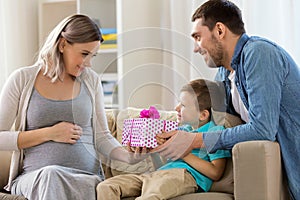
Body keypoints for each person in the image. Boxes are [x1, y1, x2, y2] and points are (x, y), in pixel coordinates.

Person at [153, 0, 300, 199]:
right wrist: (163, 138)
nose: (196, 48)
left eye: (198, 37)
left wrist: (195, 140)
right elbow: (208, 122)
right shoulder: (224, 74)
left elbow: (263, 129)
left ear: (220, 30)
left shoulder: (259, 53)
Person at [0, 14, 146, 200]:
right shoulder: (22, 79)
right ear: (62, 45)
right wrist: (49, 133)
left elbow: (102, 137)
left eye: (93, 56)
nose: (89, 63)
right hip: (37, 178)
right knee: (51, 176)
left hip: (85, 178)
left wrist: (128, 157)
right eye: (84, 54)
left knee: (77, 182)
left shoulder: (91, 80)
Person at [97, 79, 231, 200]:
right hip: (157, 174)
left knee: (150, 196)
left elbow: (215, 172)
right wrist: (153, 151)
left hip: (183, 176)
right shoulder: (181, 131)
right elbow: (162, 166)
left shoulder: (214, 132)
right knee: (106, 186)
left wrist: (182, 152)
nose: (176, 108)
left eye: (183, 105)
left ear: (203, 115)